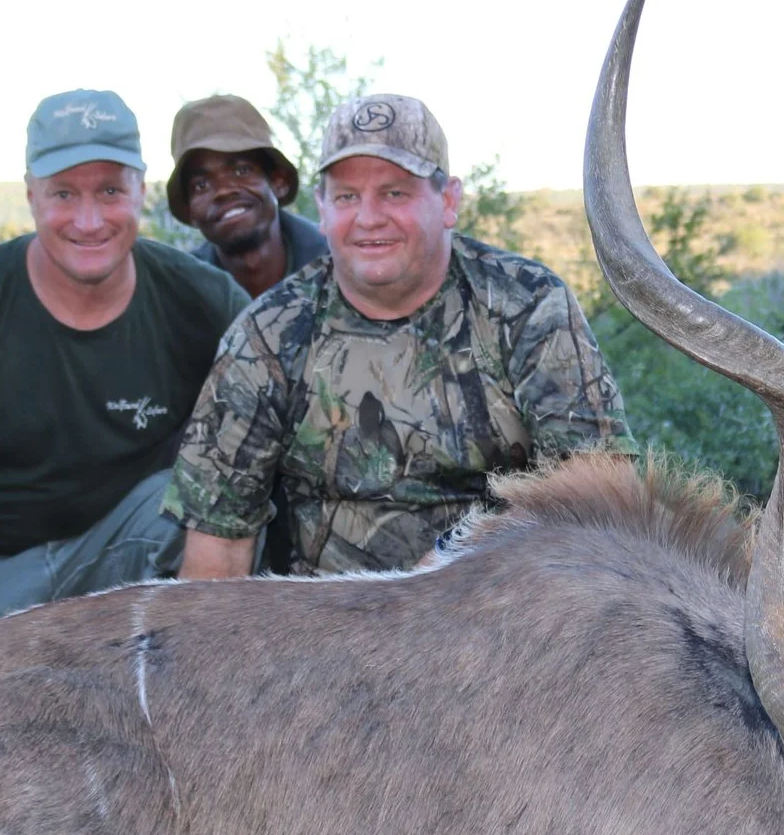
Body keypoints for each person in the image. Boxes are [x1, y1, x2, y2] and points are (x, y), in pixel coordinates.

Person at [167, 93, 625, 579]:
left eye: (394, 193)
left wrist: (457, 551)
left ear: (448, 201)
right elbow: (217, 544)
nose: (368, 218)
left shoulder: (528, 304)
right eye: (347, 196)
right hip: (329, 625)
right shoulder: (267, 334)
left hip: (503, 609)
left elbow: (603, 488)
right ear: (321, 209)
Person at [0, 89, 249, 655]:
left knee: (217, 494)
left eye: (110, 191)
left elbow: (293, 397)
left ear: (141, 191)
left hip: (121, 549)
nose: (89, 220)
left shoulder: (200, 296)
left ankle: (192, 679)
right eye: (64, 193)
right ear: (30, 195)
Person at [0, 94, 326, 302]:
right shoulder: (184, 290)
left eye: (242, 170)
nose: (223, 190)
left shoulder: (340, 268)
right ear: (189, 210)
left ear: (279, 182)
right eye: (201, 184)